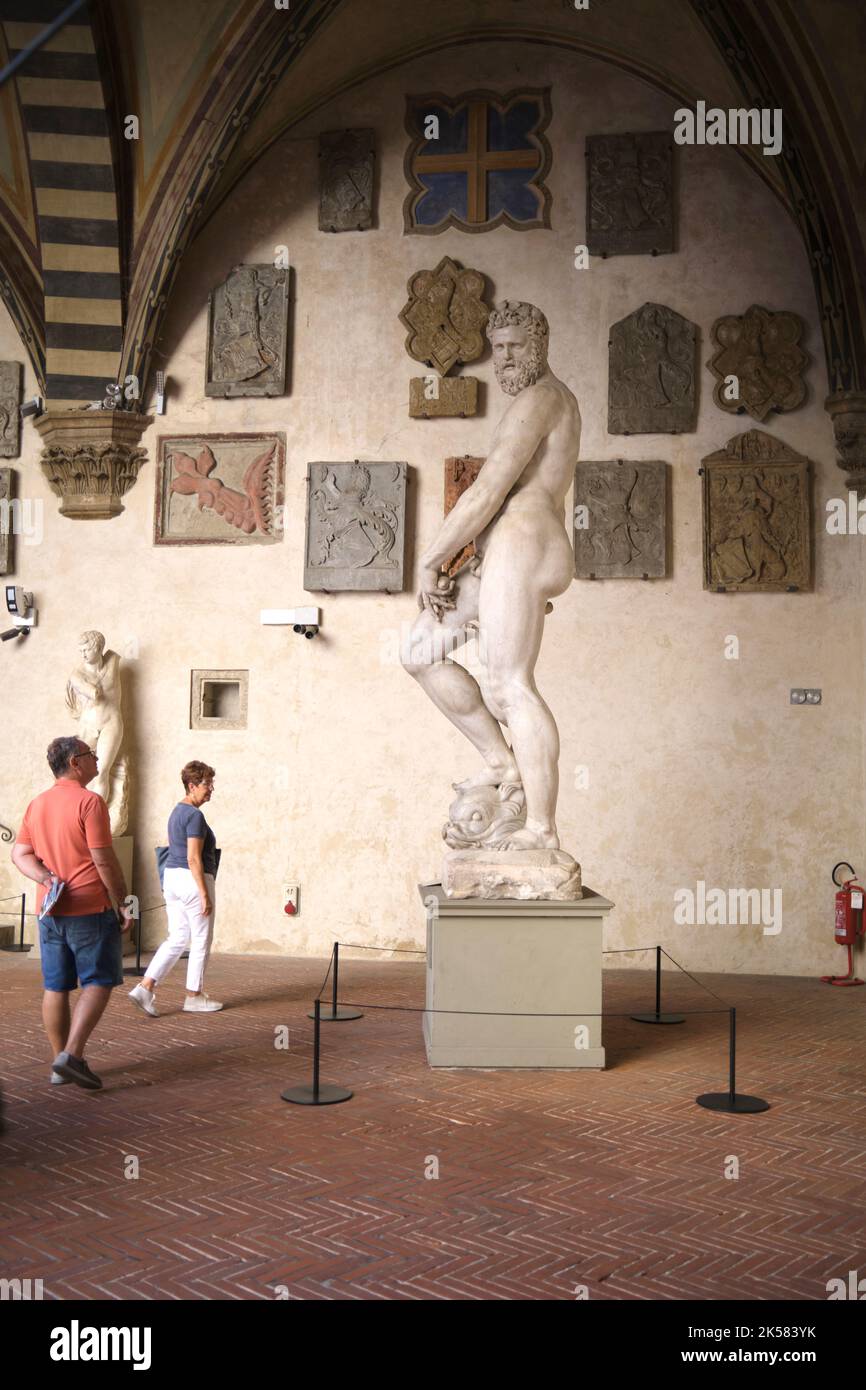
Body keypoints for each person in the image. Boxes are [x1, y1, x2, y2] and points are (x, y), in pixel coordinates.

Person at [402, 299, 580, 850]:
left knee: (509, 684)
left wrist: (434, 558)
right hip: (503, 549)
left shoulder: (543, 399)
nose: (503, 358)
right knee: (420, 651)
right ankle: (501, 761)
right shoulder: (533, 400)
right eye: (497, 347)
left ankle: (541, 829)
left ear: (539, 346)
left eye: (515, 347)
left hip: (527, 542)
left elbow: (490, 488)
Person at [11, 736, 135, 1090]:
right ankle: (73, 1056)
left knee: (56, 986)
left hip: (49, 912)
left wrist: (47, 879)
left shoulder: (38, 805)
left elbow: (20, 854)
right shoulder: (89, 802)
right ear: (74, 763)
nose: (97, 759)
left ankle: (58, 1063)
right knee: (99, 980)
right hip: (88, 908)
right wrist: (123, 901)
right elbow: (103, 859)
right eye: (90, 754)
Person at [128, 761, 222, 1016]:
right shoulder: (194, 816)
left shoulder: (176, 812)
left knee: (177, 937)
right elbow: (193, 858)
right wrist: (204, 893)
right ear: (191, 786)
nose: (211, 788)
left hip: (171, 879)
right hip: (192, 880)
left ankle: (145, 988)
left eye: (211, 783)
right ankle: (194, 996)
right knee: (201, 939)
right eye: (206, 784)